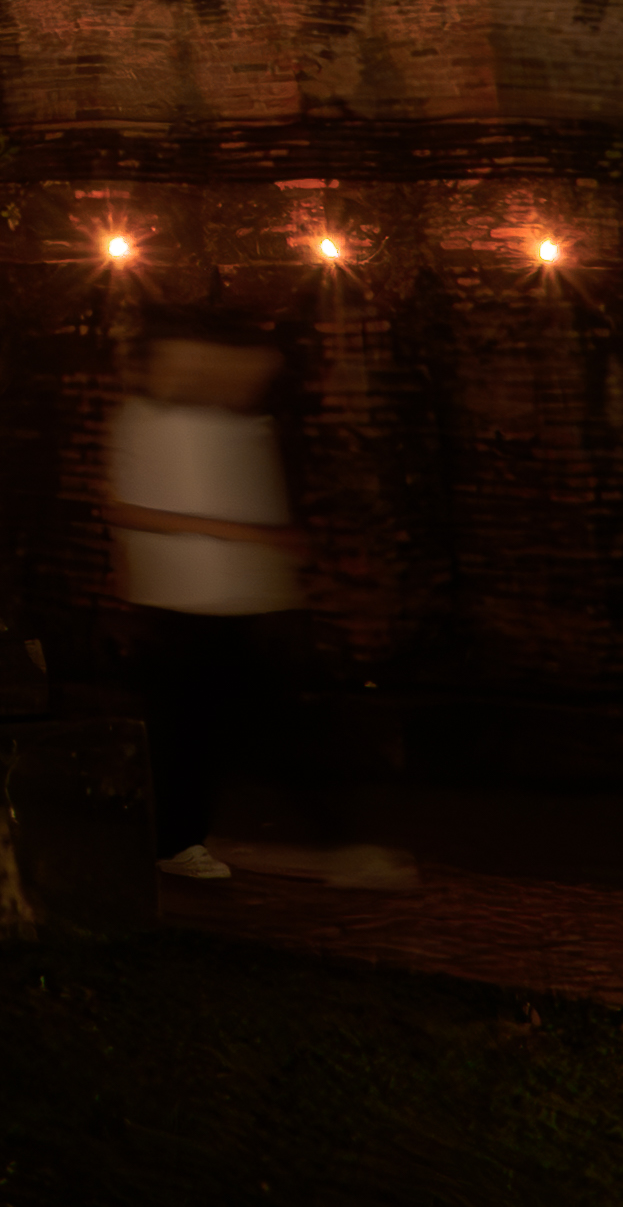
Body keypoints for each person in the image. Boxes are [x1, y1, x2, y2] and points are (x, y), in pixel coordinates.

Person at [107, 311, 403, 886]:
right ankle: (181, 840)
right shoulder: (147, 420)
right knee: (209, 732)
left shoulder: (241, 425)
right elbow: (127, 509)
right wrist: (242, 535)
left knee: (242, 727)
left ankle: (197, 836)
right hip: (183, 605)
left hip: (243, 602)